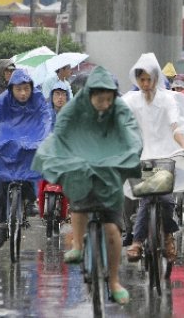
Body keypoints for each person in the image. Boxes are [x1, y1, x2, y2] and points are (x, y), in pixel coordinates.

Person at [32, 66, 142, 305]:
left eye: (108, 99)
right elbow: (61, 130)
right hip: (81, 159)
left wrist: (131, 152)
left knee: (113, 230)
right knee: (79, 201)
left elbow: (131, 132)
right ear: (89, 94)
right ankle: (79, 245)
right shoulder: (75, 106)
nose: (104, 104)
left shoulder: (119, 107)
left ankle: (113, 281)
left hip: (110, 162)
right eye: (99, 99)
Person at [121, 53, 184, 263]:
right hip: (142, 156)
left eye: (149, 79)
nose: (146, 84)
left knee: (166, 201)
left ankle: (165, 237)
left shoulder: (167, 99)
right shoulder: (130, 100)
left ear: (157, 79)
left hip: (167, 155)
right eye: (142, 79)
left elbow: (174, 127)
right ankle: (139, 241)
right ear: (137, 80)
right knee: (146, 199)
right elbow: (119, 122)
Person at [0, 69, 52, 248]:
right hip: (7, 143)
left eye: (26, 88)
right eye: (19, 89)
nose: (23, 93)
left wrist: (42, 138)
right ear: (12, 89)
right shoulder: (3, 100)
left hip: (30, 143)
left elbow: (45, 119)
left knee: (34, 169)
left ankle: (30, 200)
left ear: (31, 88)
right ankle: (2, 224)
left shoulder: (38, 99)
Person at [36, 80, 73, 220]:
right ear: (51, 96)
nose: (60, 97)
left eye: (63, 94)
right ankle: (39, 202)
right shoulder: (45, 114)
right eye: (57, 94)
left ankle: (70, 207)